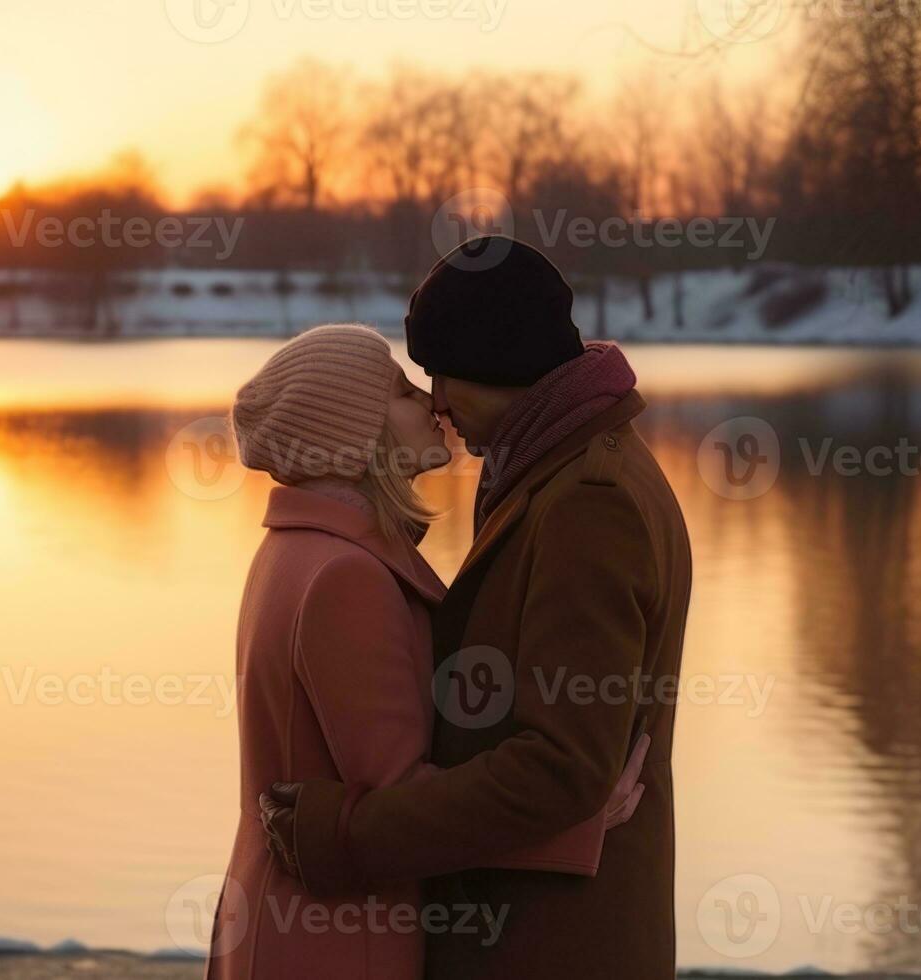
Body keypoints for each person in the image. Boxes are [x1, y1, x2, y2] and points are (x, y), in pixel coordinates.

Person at [260, 239, 693, 980]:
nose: (434, 400)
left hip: (551, 943)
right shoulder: (556, 469)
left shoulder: (590, 502)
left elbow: (562, 767)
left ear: (498, 360)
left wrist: (345, 835)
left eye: (439, 372)